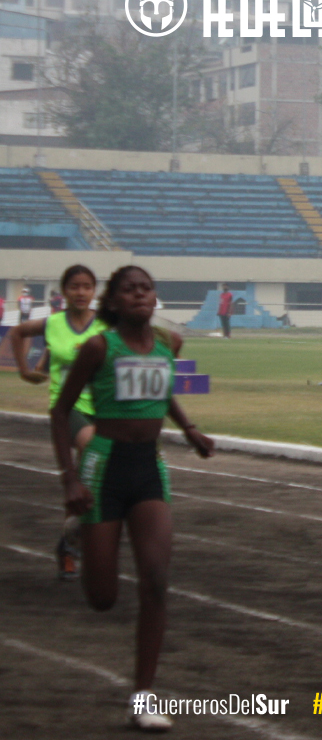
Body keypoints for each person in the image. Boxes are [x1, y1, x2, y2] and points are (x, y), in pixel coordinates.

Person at [51, 265, 213, 732]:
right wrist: (69, 481)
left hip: (148, 468)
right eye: (130, 289)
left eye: (146, 288)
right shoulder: (99, 348)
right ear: (115, 302)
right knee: (103, 598)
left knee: (157, 581)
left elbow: (161, 393)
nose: (140, 294)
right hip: (103, 467)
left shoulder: (168, 344)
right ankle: (79, 530)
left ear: (154, 297)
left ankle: (142, 695)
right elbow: (61, 413)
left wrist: (189, 428)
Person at [11, 265, 108, 580]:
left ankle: (69, 544)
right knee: (94, 448)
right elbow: (18, 331)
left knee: (82, 479)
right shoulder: (53, 323)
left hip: (101, 408)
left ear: (94, 291)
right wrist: (25, 370)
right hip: (66, 408)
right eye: (75, 286)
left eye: (87, 287)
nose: (81, 292)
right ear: (64, 291)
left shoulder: (105, 325)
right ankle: (80, 537)